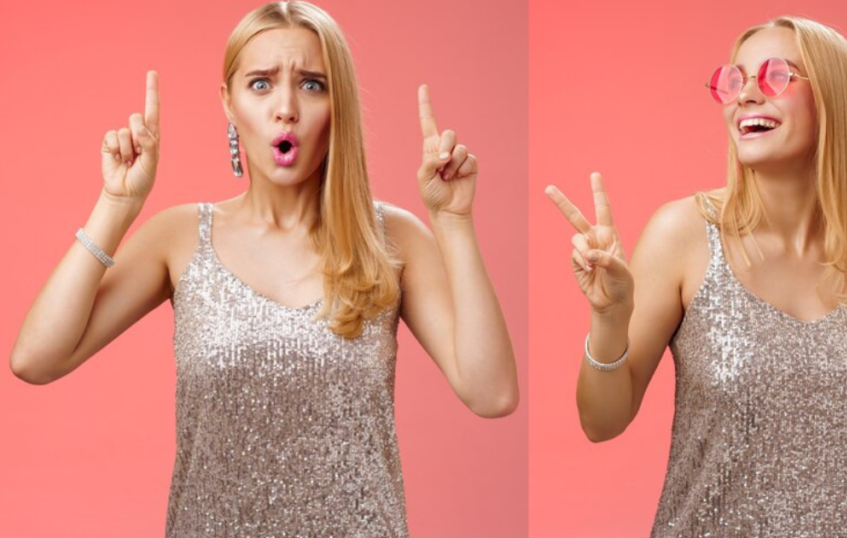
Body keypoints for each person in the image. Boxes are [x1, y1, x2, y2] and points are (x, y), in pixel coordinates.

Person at [9, 1, 518, 536]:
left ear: (337, 103)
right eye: (260, 84)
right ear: (228, 103)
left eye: (312, 84)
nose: (286, 108)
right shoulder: (181, 238)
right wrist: (116, 206)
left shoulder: (392, 238)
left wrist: (454, 221)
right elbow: (36, 359)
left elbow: (493, 393)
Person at [546, 16, 847, 537]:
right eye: (734, 81)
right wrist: (607, 318)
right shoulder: (685, 234)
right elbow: (600, 423)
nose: (744, 97)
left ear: (833, 98)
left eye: (774, 78)